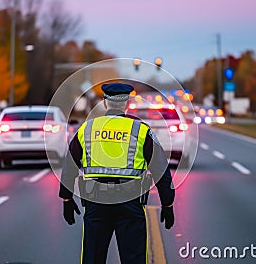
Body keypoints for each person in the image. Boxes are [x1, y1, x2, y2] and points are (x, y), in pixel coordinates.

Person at [59, 82, 175, 264]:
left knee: (93, 258)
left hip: (96, 203)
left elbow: (70, 165)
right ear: (127, 103)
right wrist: (167, 203)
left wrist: (66, 198)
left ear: (105, 102)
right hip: (130, 202)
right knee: (133, 259)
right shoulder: (140, 130)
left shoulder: (87, 129)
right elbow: (161, 169)